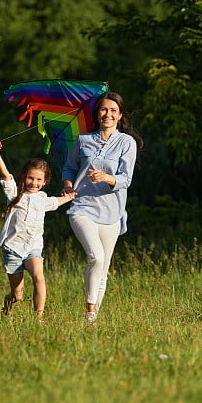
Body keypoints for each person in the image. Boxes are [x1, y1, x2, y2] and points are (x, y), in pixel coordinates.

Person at [60, 91, 143, 323]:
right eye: (103, 110)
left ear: (120, 115)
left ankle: (92, 321)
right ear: (97, 113)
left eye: (113, 111)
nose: (107, 114)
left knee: (104, 268)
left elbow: (126, 179)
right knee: (95, 257)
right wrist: (67, 184)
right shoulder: (83, 140)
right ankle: (89, 311)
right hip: (82, 207)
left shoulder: (127, 143)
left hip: (112, 212)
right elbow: (68, 168)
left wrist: (106, 177)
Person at [0, 136, 75, 320]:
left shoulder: (43, 199)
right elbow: (6, 175)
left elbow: (57, 202)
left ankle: (38, 318)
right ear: (24, 177)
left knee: (39, 278)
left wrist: (71, 196)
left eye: (39, 179)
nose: (34, 183)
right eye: (30, 178)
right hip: (13, 249)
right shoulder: (15, 193)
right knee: (17, 295)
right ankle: (6, 312)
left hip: (33, 248)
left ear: (45, 182)